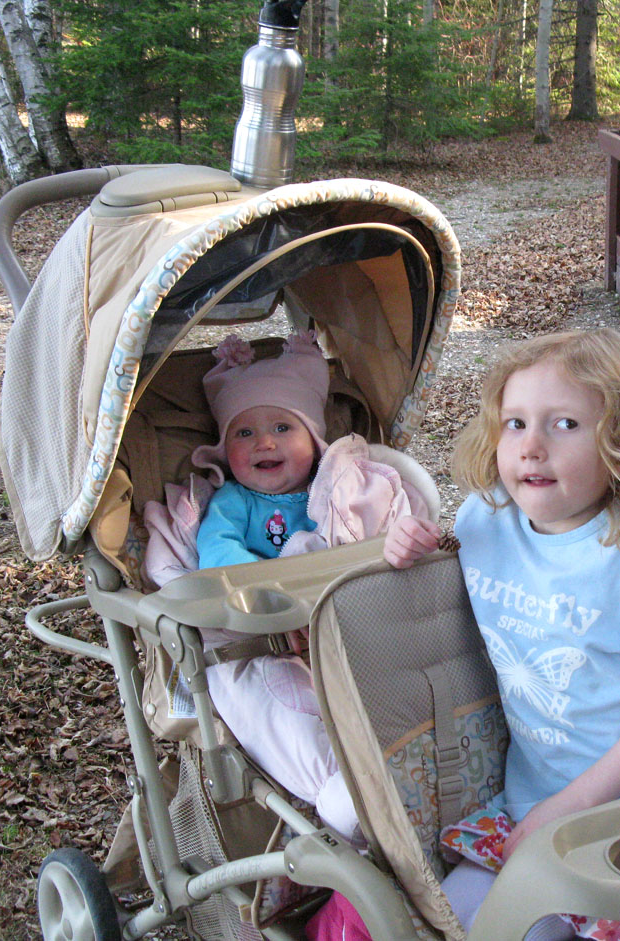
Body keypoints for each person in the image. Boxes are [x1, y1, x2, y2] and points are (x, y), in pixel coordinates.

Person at [381, 328, 620, 941]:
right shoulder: (484, 519)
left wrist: (573, 806)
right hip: (533, 800)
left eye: (565, 425)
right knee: (461, 920)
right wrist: (408, 543)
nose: (531, 447)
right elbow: (437, 576)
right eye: (515, 423)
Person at [147, 331, 433, 844]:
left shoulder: (333, 493)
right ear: (225, 449)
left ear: (314, 438)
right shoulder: (232, 503)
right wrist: (274, 590)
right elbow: (220, 561)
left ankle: (405, 759)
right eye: (244, 433)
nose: (264, 443)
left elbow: (357, 534)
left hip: (338, 626)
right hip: (262, 635)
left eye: (282, 427)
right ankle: (339, 793)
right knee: (288, 707)